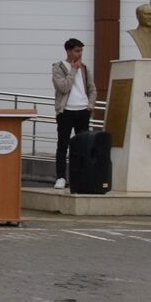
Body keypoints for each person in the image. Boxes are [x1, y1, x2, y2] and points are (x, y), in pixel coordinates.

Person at [51, 38, 97, 190]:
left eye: (81, 50)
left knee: (83, 146)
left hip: (83, 110)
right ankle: (61, 177)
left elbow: (92, 88)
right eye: (77, 50)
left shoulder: (84, 68)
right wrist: (73, 70)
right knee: (63, 145)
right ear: (69, 51)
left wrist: (90, 105)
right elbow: (63, 87)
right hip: (65, 111)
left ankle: (81, 176)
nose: (80, 53)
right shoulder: (58, 67)